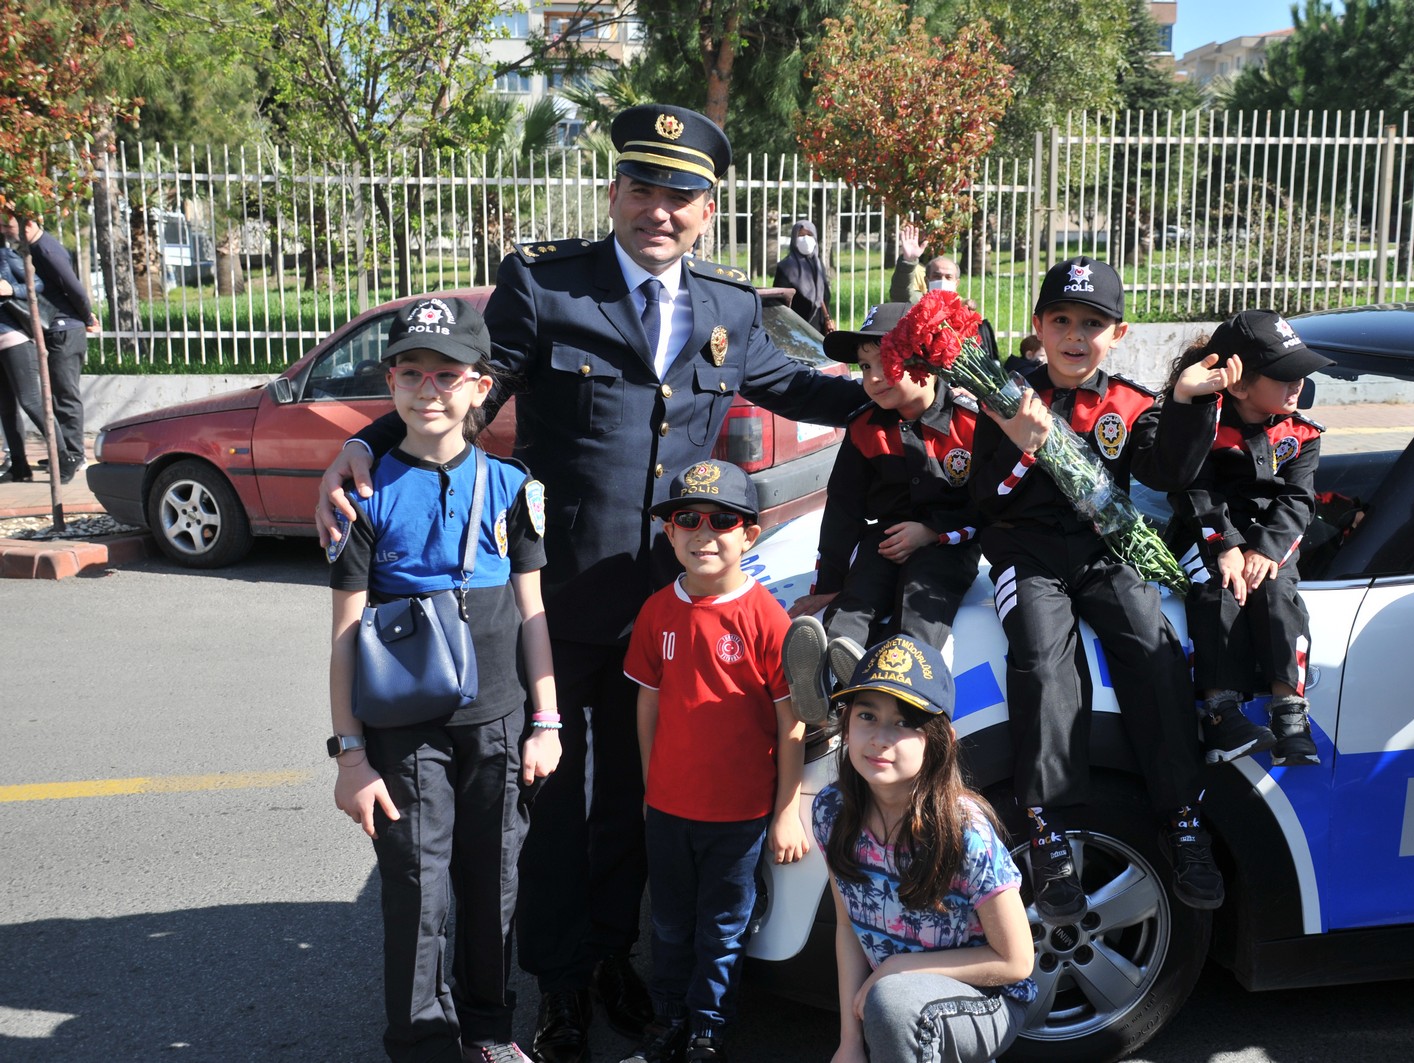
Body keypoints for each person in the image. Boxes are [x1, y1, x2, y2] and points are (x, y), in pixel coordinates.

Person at [316, 103, 866, 1063]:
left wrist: (901, 387)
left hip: (670, 611)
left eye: (680, 196)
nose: (659, 210)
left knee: (641, 797)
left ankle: (614, 954)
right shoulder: (545, 286)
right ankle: (560, 982)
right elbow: (461, 383)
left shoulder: (732, 309)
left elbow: (799, 386)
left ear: (710, 208)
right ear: (613, 192)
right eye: (642, 188)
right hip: (559, 601)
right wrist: (360, 447)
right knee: (553, 800)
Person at [325, 296, 561, 1063]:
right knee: (417, 889)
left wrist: (547, 720)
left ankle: (490, 1030)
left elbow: (532, 613)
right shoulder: (361, 492)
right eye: (411, 372)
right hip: (402, 731)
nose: (429, 390)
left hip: (498, 720)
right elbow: (345, 631)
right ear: (390, 381)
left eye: (448, 375)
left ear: (479, 385)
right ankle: (423, 1042)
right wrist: (350, 755)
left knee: (493, 887)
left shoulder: (511, 485)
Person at [970, 256, 1241, 922]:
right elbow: (983, 496)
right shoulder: (1007, 393)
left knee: (1154, 647)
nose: (1074, 335)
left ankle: (1181, 820)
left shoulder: (1131, 401)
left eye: (1092, 323)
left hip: (1103, 551)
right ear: (1037, 325)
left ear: (1117, 334)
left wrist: (1186, 402)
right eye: (1060, 319)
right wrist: (1025, 442)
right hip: (1023, 551)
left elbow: (1170, 469)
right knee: (1040, 659)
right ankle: (1048, 827)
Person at [620, 459, 806, 1063]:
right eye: (687, 519)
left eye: (723, 519)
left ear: (749, 534)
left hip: (742, 814)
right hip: (670, 809)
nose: (705, 532)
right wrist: (651, 790)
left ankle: (708, 1026)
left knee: (722, 929)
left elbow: (791, 721)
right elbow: (648, 708)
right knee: (670, 925)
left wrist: (784, 814)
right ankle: (669, 1013)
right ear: (669, 533)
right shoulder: (656, 611)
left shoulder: (766, 618)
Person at [812, 634, 1036, 1063]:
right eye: (866, 715)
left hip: (987, 998)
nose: (879, 738)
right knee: (893, 1003)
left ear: (941, 740)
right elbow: (849, 928)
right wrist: (850, 1042)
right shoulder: (831, 809)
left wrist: (899, 970)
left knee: (894, 1003)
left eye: (904, 722)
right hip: (898, 998)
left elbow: (1016, 962)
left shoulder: (965, 830)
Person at [782, 303, 981, 725]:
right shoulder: (864, 427)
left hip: (947, 546)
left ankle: (900, 689)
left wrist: (933, 533)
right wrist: (828, 585)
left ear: (925, 357)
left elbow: (988, 505)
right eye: (864, 366)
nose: (871, 378)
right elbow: (843, 512)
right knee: (859, 595)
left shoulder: (973, 421)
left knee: (921, 597)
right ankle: (828, 680)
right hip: (884, 540)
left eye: (885, 362)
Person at [1159, 310, 1332, 767]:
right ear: (1238, 384)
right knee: (1218, 592)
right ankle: (1220, 713)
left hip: (1272, 545)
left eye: (1302, 372)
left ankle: (1290, 714)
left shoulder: (1302, 433)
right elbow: (1193, 489)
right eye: (1284, 375)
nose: (1298, 384)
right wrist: (1227, 546)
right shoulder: (1206, 423)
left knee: (1277, 594)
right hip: (1209, 538)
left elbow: (1299, 500)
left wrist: (1265, 551)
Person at [4, 213, 98, 482]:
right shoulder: (35, 248)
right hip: (56, 328)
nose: (5, 230)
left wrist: (86, 316)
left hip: (66, 329)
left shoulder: (46, 249)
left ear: (28, 222)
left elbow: (74, 288)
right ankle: (65, 452)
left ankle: (74, 456)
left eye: (8, 225)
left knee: (65, 394)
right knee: (57, 393)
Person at [888, 222, 998, 361]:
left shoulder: (965, 311)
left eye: (948, 277)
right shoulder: (917, 303)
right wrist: (908, 261)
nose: (942, 280)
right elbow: (900, 292)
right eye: (936, 276)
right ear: (927, 280)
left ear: (956, 283)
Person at [0, 229, 48, 482]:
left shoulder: (5, 257)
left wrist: (10, 289)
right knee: (5, 409)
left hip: (14, 338)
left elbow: (37, 284)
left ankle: (64, 457)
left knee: (30, 401)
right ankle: (19, 466)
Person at [771, 219, 833, 333]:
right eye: (801, 235)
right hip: (795, 328)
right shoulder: (785, 267)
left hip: (819, 327)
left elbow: (825, 298)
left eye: (809, 235)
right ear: (794, 239)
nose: (806, 239)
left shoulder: (819, 266)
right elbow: (778, 301)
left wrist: (828, 319)